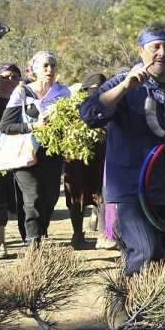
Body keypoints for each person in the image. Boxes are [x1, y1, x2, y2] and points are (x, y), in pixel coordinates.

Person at [80, 23, 165, 275]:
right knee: (144, 253)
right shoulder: (123, 83)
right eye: (155, 46)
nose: (161, 53)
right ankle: (121, 308)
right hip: (132, 189)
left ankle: (150, 312)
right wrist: (125, 87)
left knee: (163, 260)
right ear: (141, 51)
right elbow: (90, 114)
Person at [0, 51, 71, 246]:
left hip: (52, 154)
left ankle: (36, 233)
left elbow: (71, 124)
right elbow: (5, 126)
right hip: (24, 154)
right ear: (34, 70)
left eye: (53, 65)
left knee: (50, 198)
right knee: (33, 198)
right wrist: (33, 126)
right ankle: (34, 246)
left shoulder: (63, 93)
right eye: (45, 66)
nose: (50, 69)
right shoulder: (22, 92)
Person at [62, 73, 107, 249]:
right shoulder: (72, 108)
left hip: (101, 159)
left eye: (100, 90)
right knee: (76, 197)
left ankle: (104, 233)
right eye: (92, 90)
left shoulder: (110, 106)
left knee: (102, 195)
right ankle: (77, 235)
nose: (95, 94)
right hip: (76, 160)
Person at [0, 63, 21, 258]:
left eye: (13, 76)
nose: (9, 80)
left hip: (22, 157)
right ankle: (0, 244)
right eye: (4, 77)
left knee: (24, 202)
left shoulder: (25, 101)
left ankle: (35, 242)